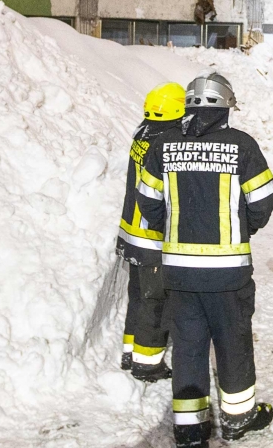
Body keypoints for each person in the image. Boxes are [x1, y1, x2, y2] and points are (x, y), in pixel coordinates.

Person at [136, 73, 273, 448]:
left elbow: (146, 199)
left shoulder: (163, 146)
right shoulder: (242, 146)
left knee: (188, 346)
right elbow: (263, 199)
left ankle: (189, 427)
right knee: (233, 345)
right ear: (226, 106)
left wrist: (173, 228)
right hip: (228, 274)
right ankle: (237, 418)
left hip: (180, 272)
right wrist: (242, 228)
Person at [116, 82, 186, 382]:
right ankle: (147, 363)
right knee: (156, 301)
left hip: (131, 232)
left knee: (138, 294)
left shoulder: (142, 133)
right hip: (152, 236)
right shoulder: (167, 142)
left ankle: (130, 350)